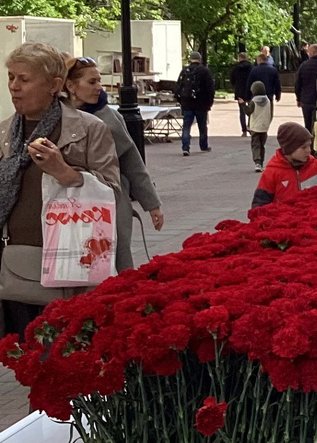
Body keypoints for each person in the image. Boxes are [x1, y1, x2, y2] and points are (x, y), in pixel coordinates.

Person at [1, 43, 121, 332]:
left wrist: (66, 173)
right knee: (27, 356)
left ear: (54, 85)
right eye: (11, 78)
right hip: (14, 263)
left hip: (72, 264)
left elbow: (113, 192)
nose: (14, 87)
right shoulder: (4, 131)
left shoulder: (89, 129)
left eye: (24, 79)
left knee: (67, 353)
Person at [62, 55, 163, 273]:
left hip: (112, 200)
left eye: (99, 80)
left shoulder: (108, 116)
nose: (99, 87)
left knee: (117, 257)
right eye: (92, 82)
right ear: (70, 86)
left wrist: (152, 204)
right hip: (67, 206)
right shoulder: (56, 117)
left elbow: (132, 161)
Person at [251, 122, 317, 212]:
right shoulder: (272, 172)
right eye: (303, 147)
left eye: (309, 146)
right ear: (289, 149)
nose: (309, 150)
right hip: (284, 225)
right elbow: (260, 203)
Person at [176, 50, 216, 156]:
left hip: (187, 103)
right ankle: (203, 145)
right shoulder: (205, 71)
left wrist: (181, 101)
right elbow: (210, 88)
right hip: (201, 103)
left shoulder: (185, 71)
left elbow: (178, 87)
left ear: (191, 59)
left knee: (186, 126)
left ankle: (185, 147)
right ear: (200, 59)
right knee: (202, 126)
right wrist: (209, 102)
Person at [240, 81, 273, 171]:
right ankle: (261, 162)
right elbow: (270, 113)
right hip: (264, 126)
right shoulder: (268, 101)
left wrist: (243, 104)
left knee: (255, 145)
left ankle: (257, 162)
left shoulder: (253, 102)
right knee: (262, 145)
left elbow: (248, 111)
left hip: (255, 126)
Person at [294, 44, 317, 133]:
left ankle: (309, 144)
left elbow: (298, 83)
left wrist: (298, 98)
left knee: (308, 125)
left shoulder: (304, 65)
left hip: (306, 100)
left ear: (312, 53)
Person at [230, 52, 254, 137]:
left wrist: (236, 86)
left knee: (242, 111)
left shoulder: (236, 68)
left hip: (240, 92)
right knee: (251, 110)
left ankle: (244, 131)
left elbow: (232, 80)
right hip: (250, 91)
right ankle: (250, 126)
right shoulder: (251, 67)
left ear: (239, 58)